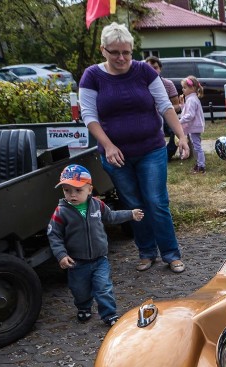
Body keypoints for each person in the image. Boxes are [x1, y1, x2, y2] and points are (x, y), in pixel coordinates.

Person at [78, 22, 189, 274]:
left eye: (126, 52)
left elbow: (165, 105)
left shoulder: (144, 72)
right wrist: (108, 145)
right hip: (116, 155)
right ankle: (146, 252)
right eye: (115, 52)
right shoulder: (92, 76)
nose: (121, 58)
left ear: (132, 51)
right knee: (133, 205)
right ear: (102, 50)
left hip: (151, 148)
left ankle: (171, 254)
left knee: (156, 201)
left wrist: (181, 135)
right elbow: (89, 116)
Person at [47, 164, 144, 326]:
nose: (72, 195)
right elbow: (54, 234)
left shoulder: (97, 205)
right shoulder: (61, 211)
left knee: (103, 288)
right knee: (79, 290)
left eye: (78, 190)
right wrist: (61, 255)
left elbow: (111, 217)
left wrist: (130, 214)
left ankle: (109, 315)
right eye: (67, 190)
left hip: (100, 259)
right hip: (76, 262)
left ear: (89, 189)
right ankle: (83, 307)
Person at [145, 56, 182, 160]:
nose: (153, 70)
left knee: (175, 129)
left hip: (165, 115)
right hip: (148, 117)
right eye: (149, 68)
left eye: (155, 67)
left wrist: (164, 110)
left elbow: (177, 106)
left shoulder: (168, 84)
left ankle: (168, 154)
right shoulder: (141, 85)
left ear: (160, 69)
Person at [179, 76, 206, 174]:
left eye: (185, 87)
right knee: (196, 146)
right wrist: (182, 105)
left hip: (194, 127)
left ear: (193, 88)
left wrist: (179, 121)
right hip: (194, 126)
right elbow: (187, 112)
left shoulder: (191, 100)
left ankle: (201, 166)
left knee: (197, 147)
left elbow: (190, 116)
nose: (183, 89)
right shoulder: (191, 99)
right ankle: (199, 164)